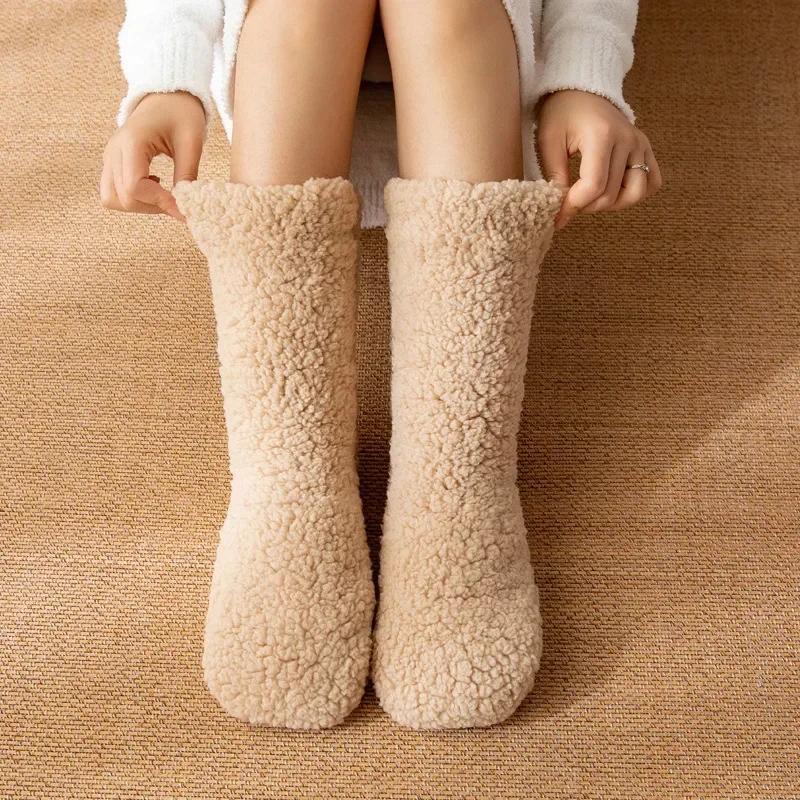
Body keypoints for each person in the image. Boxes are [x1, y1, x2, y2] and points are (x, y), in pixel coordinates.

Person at [101, 0, 662, 731]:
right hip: (289, 84)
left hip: (476, 90)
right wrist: (165, 76)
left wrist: (584, 71)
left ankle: (455, 484)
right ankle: (289, 482)